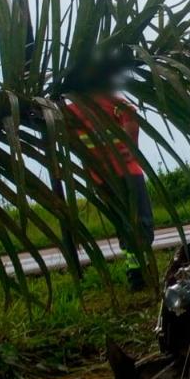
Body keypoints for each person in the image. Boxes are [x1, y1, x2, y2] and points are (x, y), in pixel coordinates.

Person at [66, 94, 153, 291]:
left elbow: (130, 117)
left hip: (106, 176)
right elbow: (131, 116)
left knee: (128, 224)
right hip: (122, 174)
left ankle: (137, 270)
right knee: (139, 222)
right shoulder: (108, 101)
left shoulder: (74, 109)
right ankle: (139, 272)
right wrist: (132, 147)